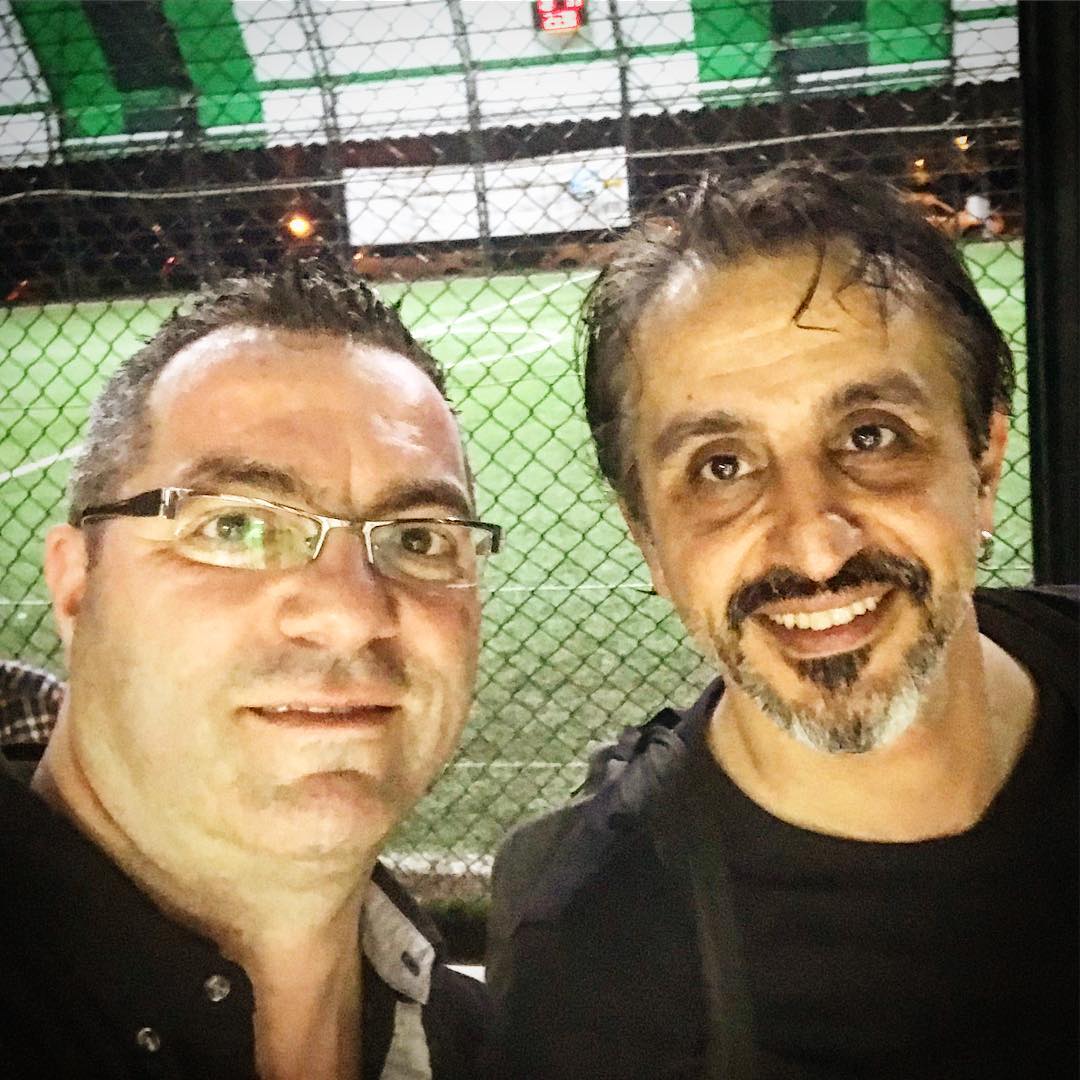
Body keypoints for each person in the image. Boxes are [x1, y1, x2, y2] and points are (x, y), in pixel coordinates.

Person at [486, 166, 1078, 1080]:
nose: (814, 547)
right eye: (721, 467)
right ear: (648, 537)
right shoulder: (595, 979)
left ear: (984, 464)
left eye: (871, 436)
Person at [0, 263, 502, 1079]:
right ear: (76, 586)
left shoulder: (493, 1046)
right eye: (234, 526)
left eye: (417, 538)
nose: (350, 612)